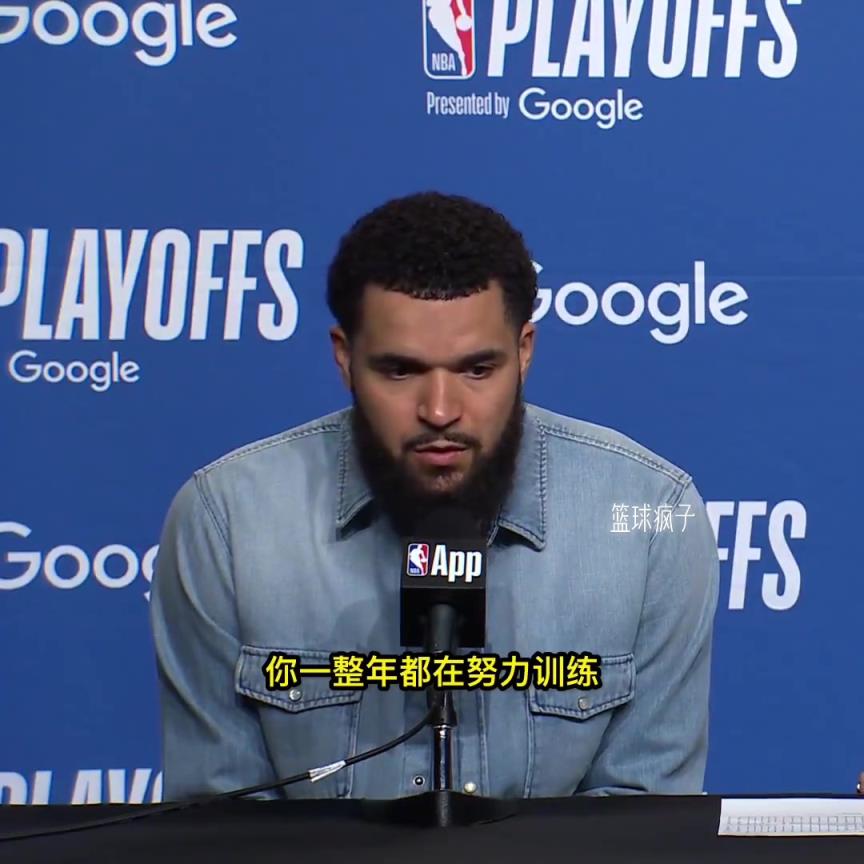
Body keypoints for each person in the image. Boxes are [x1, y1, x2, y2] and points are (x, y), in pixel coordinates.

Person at [149, 191, 720, 803]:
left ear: (525, 351)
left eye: (477, 370)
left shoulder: (654, 517)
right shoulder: (227, 520)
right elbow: (223, 828)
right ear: (345, 358)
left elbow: (641, 824)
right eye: (400, 371)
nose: (441, 411)